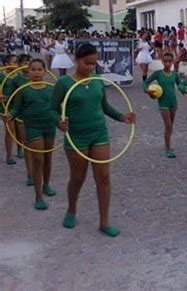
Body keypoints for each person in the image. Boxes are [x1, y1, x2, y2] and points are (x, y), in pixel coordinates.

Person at [50, 43, 136, 237]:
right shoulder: (64, 83)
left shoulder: (98, 81)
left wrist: (123, 117)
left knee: (104, 178)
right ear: (77, 60)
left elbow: (104, 106)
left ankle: (104, 222)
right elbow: (52, 108)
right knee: (78, 178)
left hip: (99, 134)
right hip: (76, 137)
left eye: (94, 64)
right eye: (87, 63)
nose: (91, 67)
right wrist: (59, 123)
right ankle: (71, 209)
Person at [2, 59, 57, 210]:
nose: (36, 72)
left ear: (45, 71)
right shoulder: (23, 90)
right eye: (33, 69)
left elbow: (57, 109)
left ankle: (46, 185)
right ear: (29, 71)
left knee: (48, 158)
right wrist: (10, 116)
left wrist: (61, 121)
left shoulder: (51, 89)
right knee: (38, 159)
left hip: (49, 126)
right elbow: (16, 109)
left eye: (40, 69)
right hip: (32, 127)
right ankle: (38, 196)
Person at [144, 52, 181, 158]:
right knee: (168, 125)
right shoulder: (158, 73)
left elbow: (181, 86)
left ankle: (168, 144)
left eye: (170, 61)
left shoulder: (174, 74)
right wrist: (147, 91)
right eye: (165, 61)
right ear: (162, 62)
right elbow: (145, 82)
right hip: (163, 102)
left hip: (173, 102)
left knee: (171, 125)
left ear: (172, 62)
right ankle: (168, 149)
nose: (167, 64)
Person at [9, 54, 34, 183]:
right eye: (23, 62)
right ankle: (30, 174)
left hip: (37, 117)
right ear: (19, 65)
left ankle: (42, 177)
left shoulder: (37, 78)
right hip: (22, 117)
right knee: (27, 145)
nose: (26, 64)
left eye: (28, 61)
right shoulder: (16, 80)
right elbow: (11, 98)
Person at [0, 54, 21, 165]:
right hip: (6, 107)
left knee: (20, 130)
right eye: (13, 62)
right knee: (10, 131)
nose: (16, 65)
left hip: (18, 106)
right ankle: (9, 155)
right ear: (6, 64)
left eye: (17, 62)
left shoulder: (19, 77)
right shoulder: (1, 76)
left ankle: (20, 149)